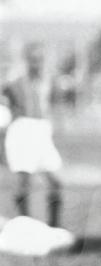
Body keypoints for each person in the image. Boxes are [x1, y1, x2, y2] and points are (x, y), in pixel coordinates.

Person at [2, 42, 64, 227]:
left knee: (56, 181)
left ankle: (55, 226)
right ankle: (25, 224)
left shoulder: (49, 82)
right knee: (25, 180)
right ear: (27, 61)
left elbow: (53, 104)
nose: (37, 64)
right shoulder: (16, 83)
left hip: (42, 131)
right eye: (33, 60)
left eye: (40, 59)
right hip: (23, 130)